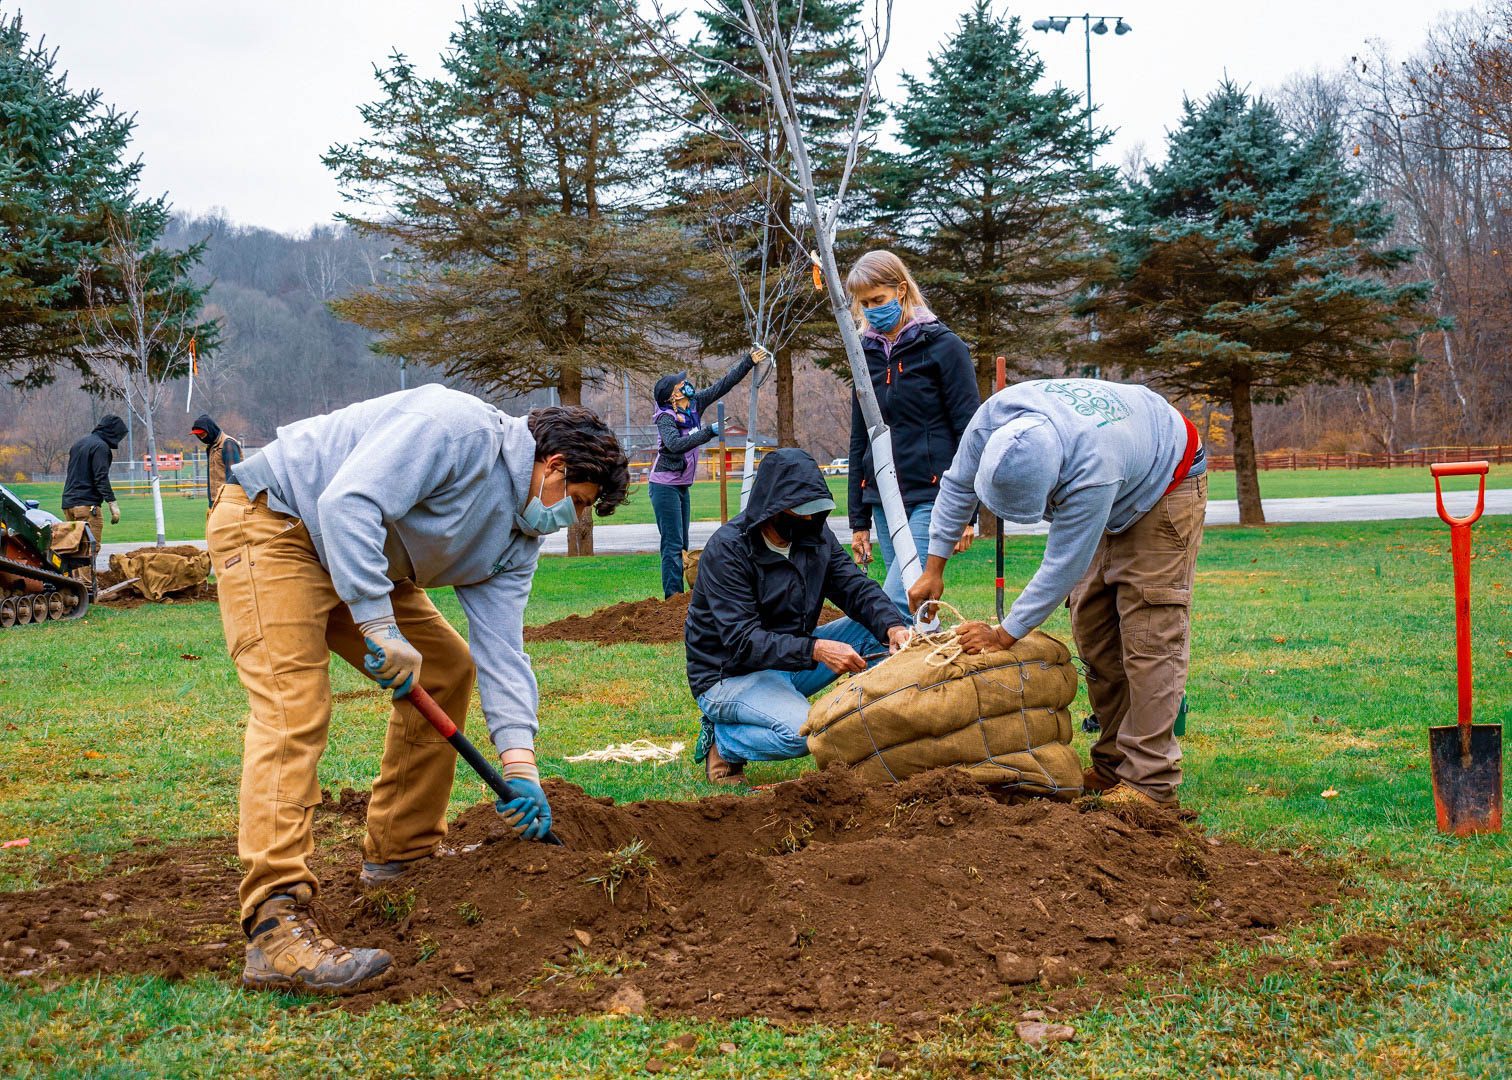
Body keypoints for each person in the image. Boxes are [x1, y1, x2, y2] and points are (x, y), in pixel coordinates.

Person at [210, 386, 628, 993]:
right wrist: (378, 625)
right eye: (578, 500)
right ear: (555, 466)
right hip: (279, 522)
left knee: (447, 668)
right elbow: (348, 501)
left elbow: (502, 654)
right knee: (292, 706)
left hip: (362, 555)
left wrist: (521, 767)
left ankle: (399, 857)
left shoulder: (518, 538)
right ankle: (275, 925)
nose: (571, 517)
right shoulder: (455, 429)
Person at [908, 378, 1207, 810]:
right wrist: (934, 567)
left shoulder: (1092, 470)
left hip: (1167, 480)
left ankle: (1151, 782)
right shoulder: (992, 419)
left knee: (1148, 636)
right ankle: (1112, 765)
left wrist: (1003, 635)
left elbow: (1061, 565)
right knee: (1094, 630)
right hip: (1121, 464)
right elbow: (956, 485)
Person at [685, 448, 911, 784]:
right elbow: (743, 641)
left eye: (814, 512)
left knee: (871, 631)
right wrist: (816, 650)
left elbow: (856, 589)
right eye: (799, 512)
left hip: (789, 661)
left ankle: (872, 730)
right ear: (771, 507)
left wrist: (893, 626)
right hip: (728, 675)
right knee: (806, 734)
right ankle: (725, 742)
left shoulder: (817, 539)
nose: (808, 520)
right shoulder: (727, 550)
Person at [845, 251, 979, 612]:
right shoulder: (863, 354)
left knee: (898, 602)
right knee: (918, 608)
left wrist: (968, 511)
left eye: (879, 300)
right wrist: (858, 519)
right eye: (865, 303)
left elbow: (969, 430)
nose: (872, 309)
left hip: (933, 495)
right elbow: (861, 437)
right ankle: (929, 665)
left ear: (901, 290)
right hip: (884, 499)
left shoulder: (944, 347)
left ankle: (874, 667)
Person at [649, 348, 765, 598]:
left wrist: (748, 361)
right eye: (681, 384)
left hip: (681, 485)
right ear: (672, 395)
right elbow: (674, 445)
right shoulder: (666, 418)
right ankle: (673, 598)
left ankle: (684, 597)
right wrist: (710, 432)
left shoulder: (694, 405)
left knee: (684, 544)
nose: (687, 385)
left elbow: (723, 385)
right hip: (664, 485)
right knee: (672, 544)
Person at [61, 414, 126, 574]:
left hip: (68, 504)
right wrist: (112, 503)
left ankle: (75, 587)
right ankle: (88, 589)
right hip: (87, 506)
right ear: (112, 432)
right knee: (89, 548)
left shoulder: (79, 444)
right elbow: (100, 477)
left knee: (74, 548)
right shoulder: (101, 447)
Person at [191, 413, 243, 506]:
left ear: (210, 430)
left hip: (228, 501)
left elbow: (233, 477)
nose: (201, 438)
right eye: (198, 435)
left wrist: (228, 502)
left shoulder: (228, 444)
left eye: (203, 434)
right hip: (216, 501)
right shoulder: (212, 446)